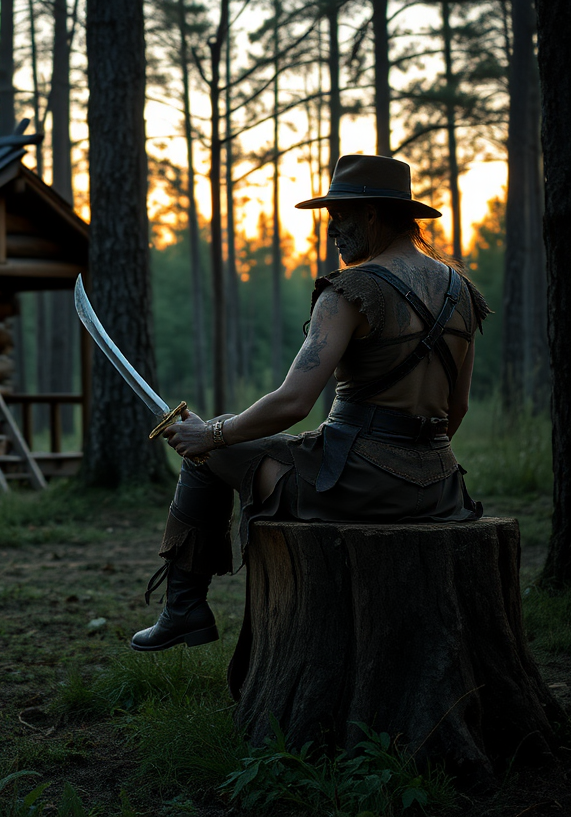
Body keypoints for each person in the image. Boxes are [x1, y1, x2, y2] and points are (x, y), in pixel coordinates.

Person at [131, 154, 489, 653]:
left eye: (339, 215)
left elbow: (294, 401)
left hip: (360, 486)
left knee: (207, 455)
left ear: (371, 214)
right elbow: (458, 410)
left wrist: (210, 434)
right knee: (224, 440)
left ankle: (184, 610)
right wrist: (412, 462)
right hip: (441, 489)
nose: (332, 229)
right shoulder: (463, 292)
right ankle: (184, 609)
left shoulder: (350, 290)